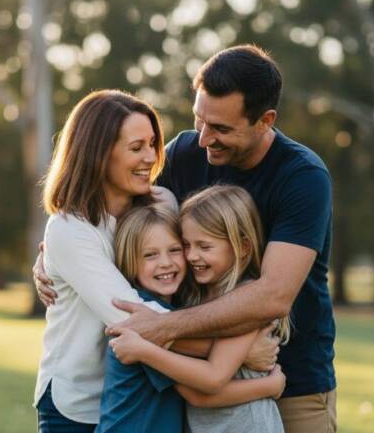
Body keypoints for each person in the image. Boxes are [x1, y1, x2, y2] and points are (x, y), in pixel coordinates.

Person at [35, 45, 336, 432]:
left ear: (265, 121)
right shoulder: (186, 154)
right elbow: (117, 218)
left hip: (289, 377)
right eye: (200, 121)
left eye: (222, 129)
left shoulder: (302, 177)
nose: (204, 138)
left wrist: (169, 331)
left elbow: (272, 295)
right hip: (193, 379)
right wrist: (48, 256)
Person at [109, 185, 289, 433]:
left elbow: (212, 378)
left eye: (204, 247)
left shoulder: (244, 302)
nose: (192, 256)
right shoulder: (192, 297)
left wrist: (145, 349)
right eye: (186, 245)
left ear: (243, 247)